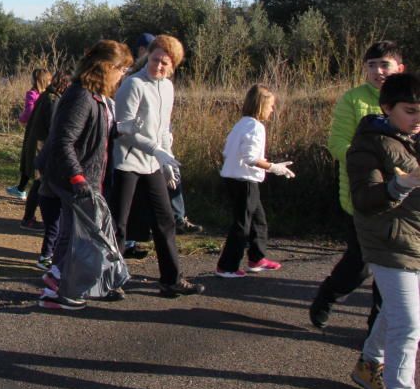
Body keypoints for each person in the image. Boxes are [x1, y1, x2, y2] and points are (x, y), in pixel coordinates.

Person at [311, 41, 406, 328]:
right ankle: (328, 294)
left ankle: (374, 336)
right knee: (359, 267)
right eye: (371, 65)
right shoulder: (352, 100)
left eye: (384, 64)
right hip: (362, 197)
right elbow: (337, 143)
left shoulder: (411, 99)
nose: (378, 71)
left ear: (399, 68)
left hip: (403, 201)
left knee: (393, 272)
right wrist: (372, 164)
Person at [37, 40, 133, 310]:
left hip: (84, 178)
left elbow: (90, 135)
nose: (122, 74)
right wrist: (77, 178)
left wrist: (118, 131)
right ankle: (57, 279)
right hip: (73, 179)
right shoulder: (81, 96)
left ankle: (56, 292)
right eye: (121, 68)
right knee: (80, 235)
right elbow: (63, 141)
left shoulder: (97, 97)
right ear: (105, 67)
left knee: (74, 234)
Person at [109, 34, 204, 298]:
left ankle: (171, 279)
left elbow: (163, 130)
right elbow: (123, 129)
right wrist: (155, 150)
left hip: (152, 165)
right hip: (127, 162)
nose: (159, 66)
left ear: (173, 65)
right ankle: (110, 278)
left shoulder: (168, 88)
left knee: (165, 221)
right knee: (119, 223)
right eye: (155, 60)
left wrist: (168, 160)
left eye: (165, 63)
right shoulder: (133, 84)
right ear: (147, 57)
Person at [347, 72, 420, 389]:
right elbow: (365, 198)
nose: (418, 119)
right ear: (387, 107)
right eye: (411, 110)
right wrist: (404, 183)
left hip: (414, 239)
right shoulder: (368, 143)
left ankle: (369, 364)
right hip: (388, 242)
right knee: (408, 326)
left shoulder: (413, 137)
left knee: (395, 310)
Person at [215, 85, 296, 278]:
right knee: (242, 224)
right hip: (244, 181)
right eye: (270, 106)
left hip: (234, 178)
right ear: (260, 106)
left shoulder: (241, 123)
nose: (272, 110)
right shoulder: (255, 126)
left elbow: (229, 151)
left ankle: (257, 258)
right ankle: (227, 266)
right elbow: (250, 157)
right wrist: (273, 167)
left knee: (258, 220)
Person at [17, 70, 71, 234]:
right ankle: (30, 219)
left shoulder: (47, 95)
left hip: (38, 144)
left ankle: (29, 218)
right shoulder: (52, 100)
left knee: (39, 183)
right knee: (40, 183)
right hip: (42, 146)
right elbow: (53, 127)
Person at [7, 69, 51, 200]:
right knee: (36, 161)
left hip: (33, 131)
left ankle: (22, 189)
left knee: (28, 159)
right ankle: (22, 187)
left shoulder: (32, 94)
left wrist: (21, 119)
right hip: (44, 133)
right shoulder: (49, 96)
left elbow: (29, 111)